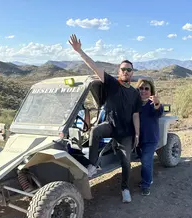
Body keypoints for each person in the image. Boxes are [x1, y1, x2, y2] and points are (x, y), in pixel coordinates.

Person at [69, 34, 142, 203]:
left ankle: (125, 189)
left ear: (132, 73)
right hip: (111, 125)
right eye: (123, 69)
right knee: (95, 130)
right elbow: (94, 67)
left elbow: (136, 115)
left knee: (126, 162)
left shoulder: (134, 93)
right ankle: (93, 164)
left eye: (128, 70)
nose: (125, 72)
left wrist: (137, 134)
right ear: (119, 71)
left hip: (126, 132)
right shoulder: (112, 83)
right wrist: (80, 51)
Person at [136, 79, 164, 196]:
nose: (143, 91)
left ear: (151, 91)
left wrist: (157, 104)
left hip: (150, 138)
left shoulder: (152, 104)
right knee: (143, 160)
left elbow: (159, 112)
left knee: (146, 161)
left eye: (146, 88)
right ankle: (147, 179)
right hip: (138, 139)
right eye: (141, 88)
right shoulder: (135, 104)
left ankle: (146, 184)